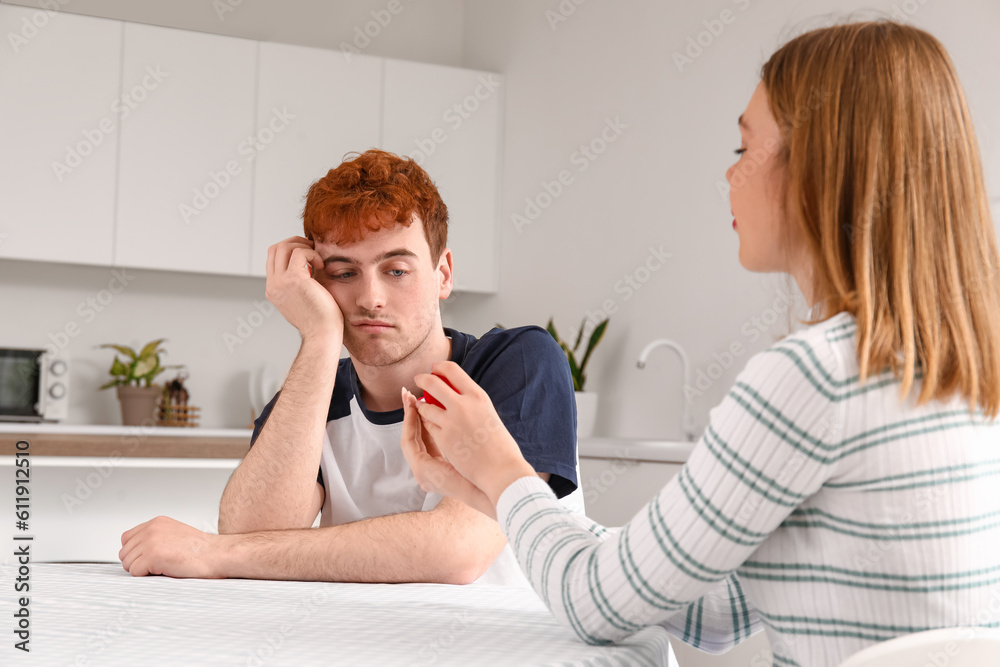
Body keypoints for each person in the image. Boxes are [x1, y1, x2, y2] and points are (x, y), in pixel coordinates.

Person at [399, 20, 1000, 666]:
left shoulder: (815, 376)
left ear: (818, 168)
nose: (728, 173)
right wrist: (491, 492)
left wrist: (502, 465)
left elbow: (592, 605)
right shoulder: (955, 369)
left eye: (743, 148)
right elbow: (716, 610)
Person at [118, 149, 582, 586]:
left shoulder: (516, 363)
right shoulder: (312, 394)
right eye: (343, 273)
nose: (370, 298)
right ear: (317, 281)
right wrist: (320, 337)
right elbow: (252, 530)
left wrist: (214, 554)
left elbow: (457, 550)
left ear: (443, 274)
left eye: (396, 269)